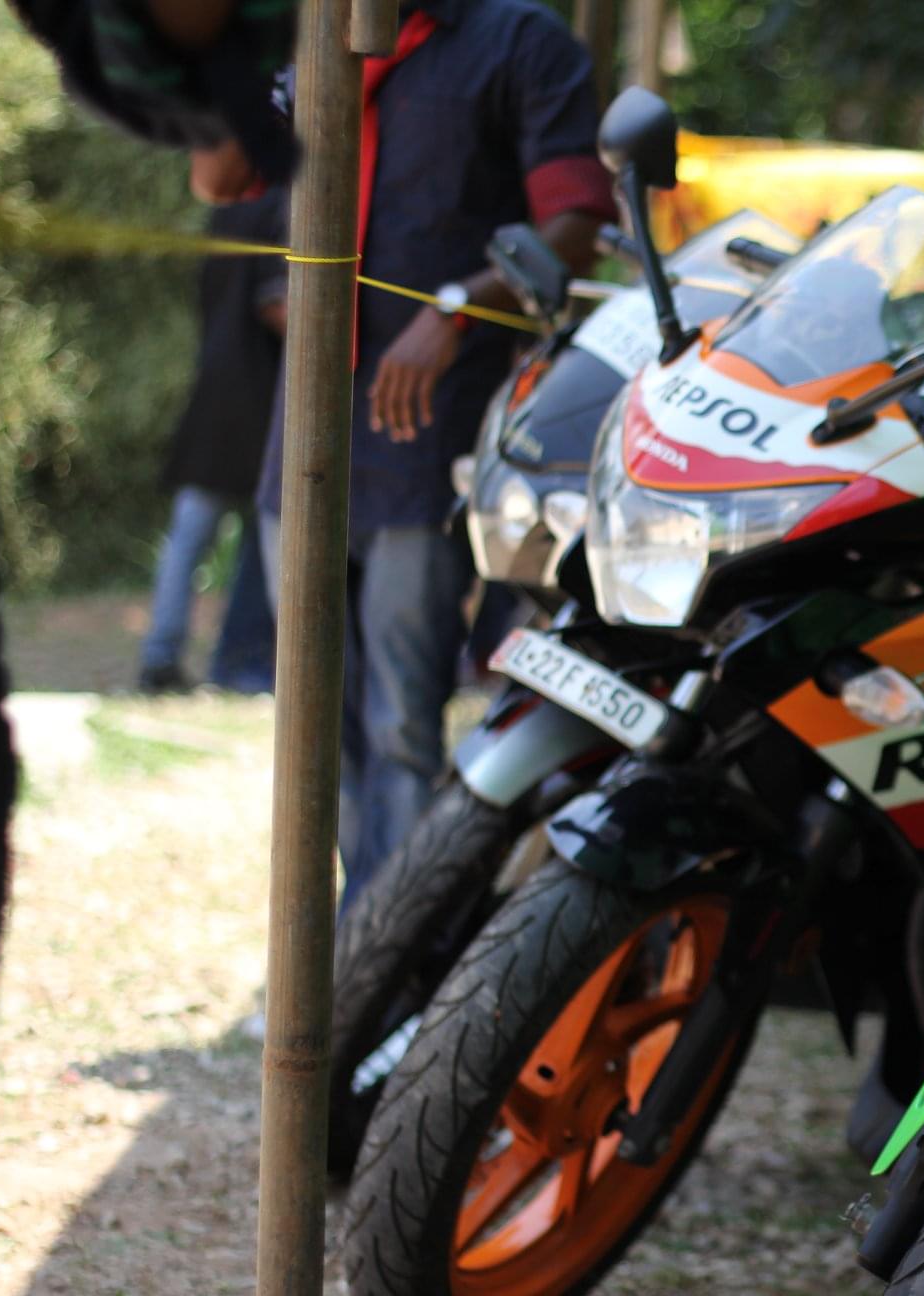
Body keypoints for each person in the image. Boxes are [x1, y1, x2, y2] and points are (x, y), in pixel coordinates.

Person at [251, 0, 611, 910]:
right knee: (310, 722)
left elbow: (573, 225)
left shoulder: (519, 42)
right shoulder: (315, 34)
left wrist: (453, 309)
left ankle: (394, 948)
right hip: (302, 436)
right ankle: (342, 941)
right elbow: (231, 177)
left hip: (424, 437)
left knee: (400, 722)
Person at [0, 0, 302, 1040]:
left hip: (226, 395)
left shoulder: (244, 171)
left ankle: (190, 656)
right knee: (216, 544)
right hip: (250, 403)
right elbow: (266, 284)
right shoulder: (271, 187)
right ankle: (189, 657)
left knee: (202, 542)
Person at [139, 191, 284, 695]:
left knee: (194, 534)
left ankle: (165, 654)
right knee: (258, 535)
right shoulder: (284, 204)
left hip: (219, 392)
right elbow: (278, 304)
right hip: (261, 400)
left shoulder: (231, 204)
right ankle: (233, 660)